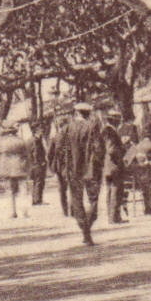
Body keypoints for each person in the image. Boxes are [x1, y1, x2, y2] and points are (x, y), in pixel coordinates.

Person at [50, 101, 102, 246]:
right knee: (94, 200)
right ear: (88, 114)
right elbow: (98, 149)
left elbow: (58, 148)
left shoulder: (66, 129)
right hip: (91, 170)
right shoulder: (93, 128)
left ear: (76, 113)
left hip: (73, 170)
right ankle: (88, 226)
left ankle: (84, 230)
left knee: (77, 200)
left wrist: (63, 168)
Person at [0, 119, 32, 220]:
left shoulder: (2, 142)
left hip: (7, 169)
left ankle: (12, 212)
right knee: (23, 189)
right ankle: (24, 212)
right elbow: (26, 153)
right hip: (20, 167)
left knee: (10, 191)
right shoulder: (20, 141)